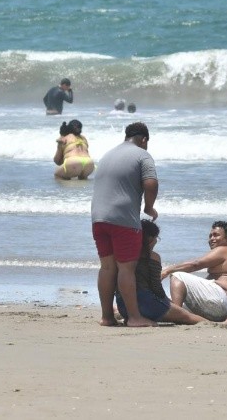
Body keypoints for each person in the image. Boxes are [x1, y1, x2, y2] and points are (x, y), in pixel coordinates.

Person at [91, 122, 159, 327]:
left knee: (107, 268)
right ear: (144, 139)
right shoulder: (142, 155)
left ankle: (107, 317)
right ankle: (135, 318)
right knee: (126, 269)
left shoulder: (107, 155)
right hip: (123, 221)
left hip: (98, 219)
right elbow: (151, 182)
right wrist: (149, 207)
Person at [115, 220, 205, 325]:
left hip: (123, 306)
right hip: (146, 304)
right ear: (151, 239)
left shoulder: (121, 254)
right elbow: (157, 289)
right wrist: (169, 304)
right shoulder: (153, 257)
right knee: (187, 316)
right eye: (156, 238)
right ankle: (217, 324)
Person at [160, 220, 227, 322]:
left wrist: (167, 271)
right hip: (222, 308)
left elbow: (196, 264)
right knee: (164, 306)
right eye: (210, 236)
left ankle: (177, 316)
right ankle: (181, 315)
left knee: (177, 275)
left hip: (220, 300)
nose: (212, 238)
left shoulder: (226, 249)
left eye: (216, 235)